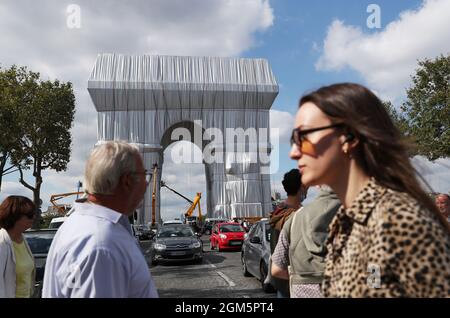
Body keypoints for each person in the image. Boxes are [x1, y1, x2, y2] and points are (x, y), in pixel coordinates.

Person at [290, 83, 450, 297]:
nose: (293, 152)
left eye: (304, 137)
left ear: (349, 137)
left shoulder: (399, 219)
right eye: (293, 140)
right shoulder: (345, 219)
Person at [42, 141, 158, 298]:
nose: (146, 184)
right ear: (127, 181)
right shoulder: (103, 245)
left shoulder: (74, 226)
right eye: (144, 175)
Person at [271, 185, 340, 298]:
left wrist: (300, 277)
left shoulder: (294, 219)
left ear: (317, 186)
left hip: (301, 288)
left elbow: (276, 270)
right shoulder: (362, 214)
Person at [268, 168, 306, 297]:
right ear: (301, 188)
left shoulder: (277, 213)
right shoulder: (297, 216)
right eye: (306, 186)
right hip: (295, 282)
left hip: (280, 279)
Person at [0, 196, 36, 298]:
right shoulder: (2, 243)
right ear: (14, 216)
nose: (34, 217)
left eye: (34, 213)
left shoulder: (23, 239)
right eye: (29, 215)